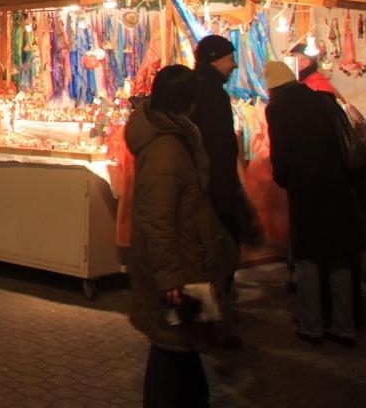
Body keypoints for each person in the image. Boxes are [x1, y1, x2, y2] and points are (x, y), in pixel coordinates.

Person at [127, 65, 238, 408]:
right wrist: (169, 275)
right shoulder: (166, 149)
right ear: (189, 101)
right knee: (173, 345)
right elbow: (157, 218)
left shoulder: (176, 139)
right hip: (179, 267)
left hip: (188, 259)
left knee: (182, 343)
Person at [264, 61, 362, 348]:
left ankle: (312, 325)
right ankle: (344, 326)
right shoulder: (323, 100)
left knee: (308, 257)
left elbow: (281, 154)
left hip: (306, 189)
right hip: (338, 186)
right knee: (339, 256)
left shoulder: (278, 109)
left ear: (272, 88)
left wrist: (283, 178)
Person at [190, 35, 250, 249]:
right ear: (215, 60)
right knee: (220, 240)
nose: (233, 65)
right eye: (230, 58)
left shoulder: (196, 88)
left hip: (205, 178)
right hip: (213, 179)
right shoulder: (212, 93)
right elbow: (218, 144)